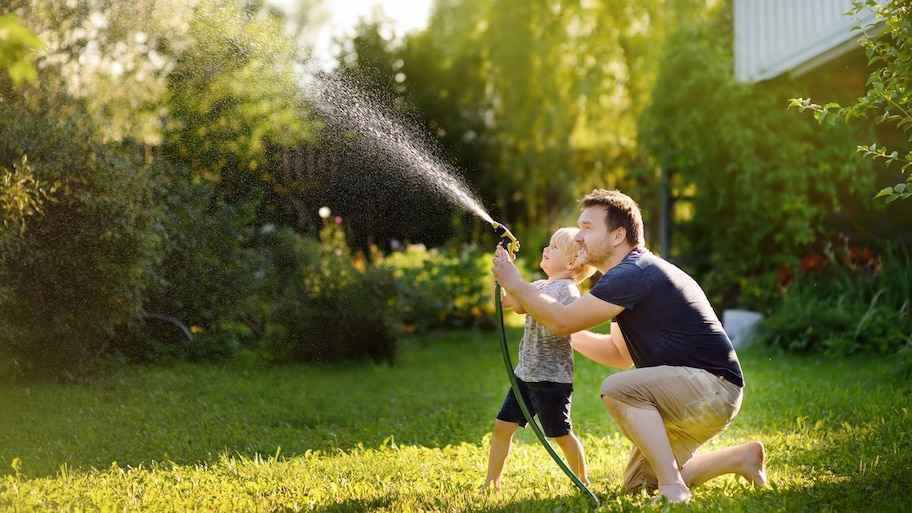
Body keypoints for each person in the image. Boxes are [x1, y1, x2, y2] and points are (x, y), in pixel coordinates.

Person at [491, 189, 767, 504]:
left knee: (618, 388)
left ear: (618, 235)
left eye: (588, 228)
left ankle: (673, 489)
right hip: (697, 393)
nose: (578, 237)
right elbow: (619, 355)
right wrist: (564, 333)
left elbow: (563, 321)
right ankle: (741, 459)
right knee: (638, 485)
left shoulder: (632, 272)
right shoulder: (621, 278)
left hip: (711, 388)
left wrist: (515, 283)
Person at [481, 227, 597, 491]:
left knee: (560, 434)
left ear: (571, 263)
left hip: (551, 379)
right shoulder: (537, 286)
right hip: (525, 374)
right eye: (549, 245)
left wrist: (515, 281)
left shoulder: (567, 291)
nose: (546, 249)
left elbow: (559, 318)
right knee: (502, 425)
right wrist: (500, 275)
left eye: (554, 248)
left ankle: (582, 481)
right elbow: (511, 303)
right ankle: (492, 481)